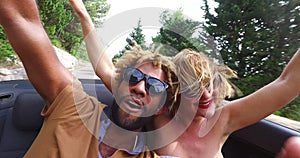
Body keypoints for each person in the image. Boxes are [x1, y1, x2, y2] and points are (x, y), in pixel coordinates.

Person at [69, 1, 300, 157]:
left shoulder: (223, 120)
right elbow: (105, 69)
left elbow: (287, 83)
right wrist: (83, 15)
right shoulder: (157, 115)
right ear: (174, 96)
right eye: (193, 89)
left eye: (209, 84)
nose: (206, 95)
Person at [0, 1, 179, 158]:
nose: (139, 87)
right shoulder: (72, 105)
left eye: (155, 87)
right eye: (133, 76)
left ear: (160, 108)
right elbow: (21, 19)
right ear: (118, 86)